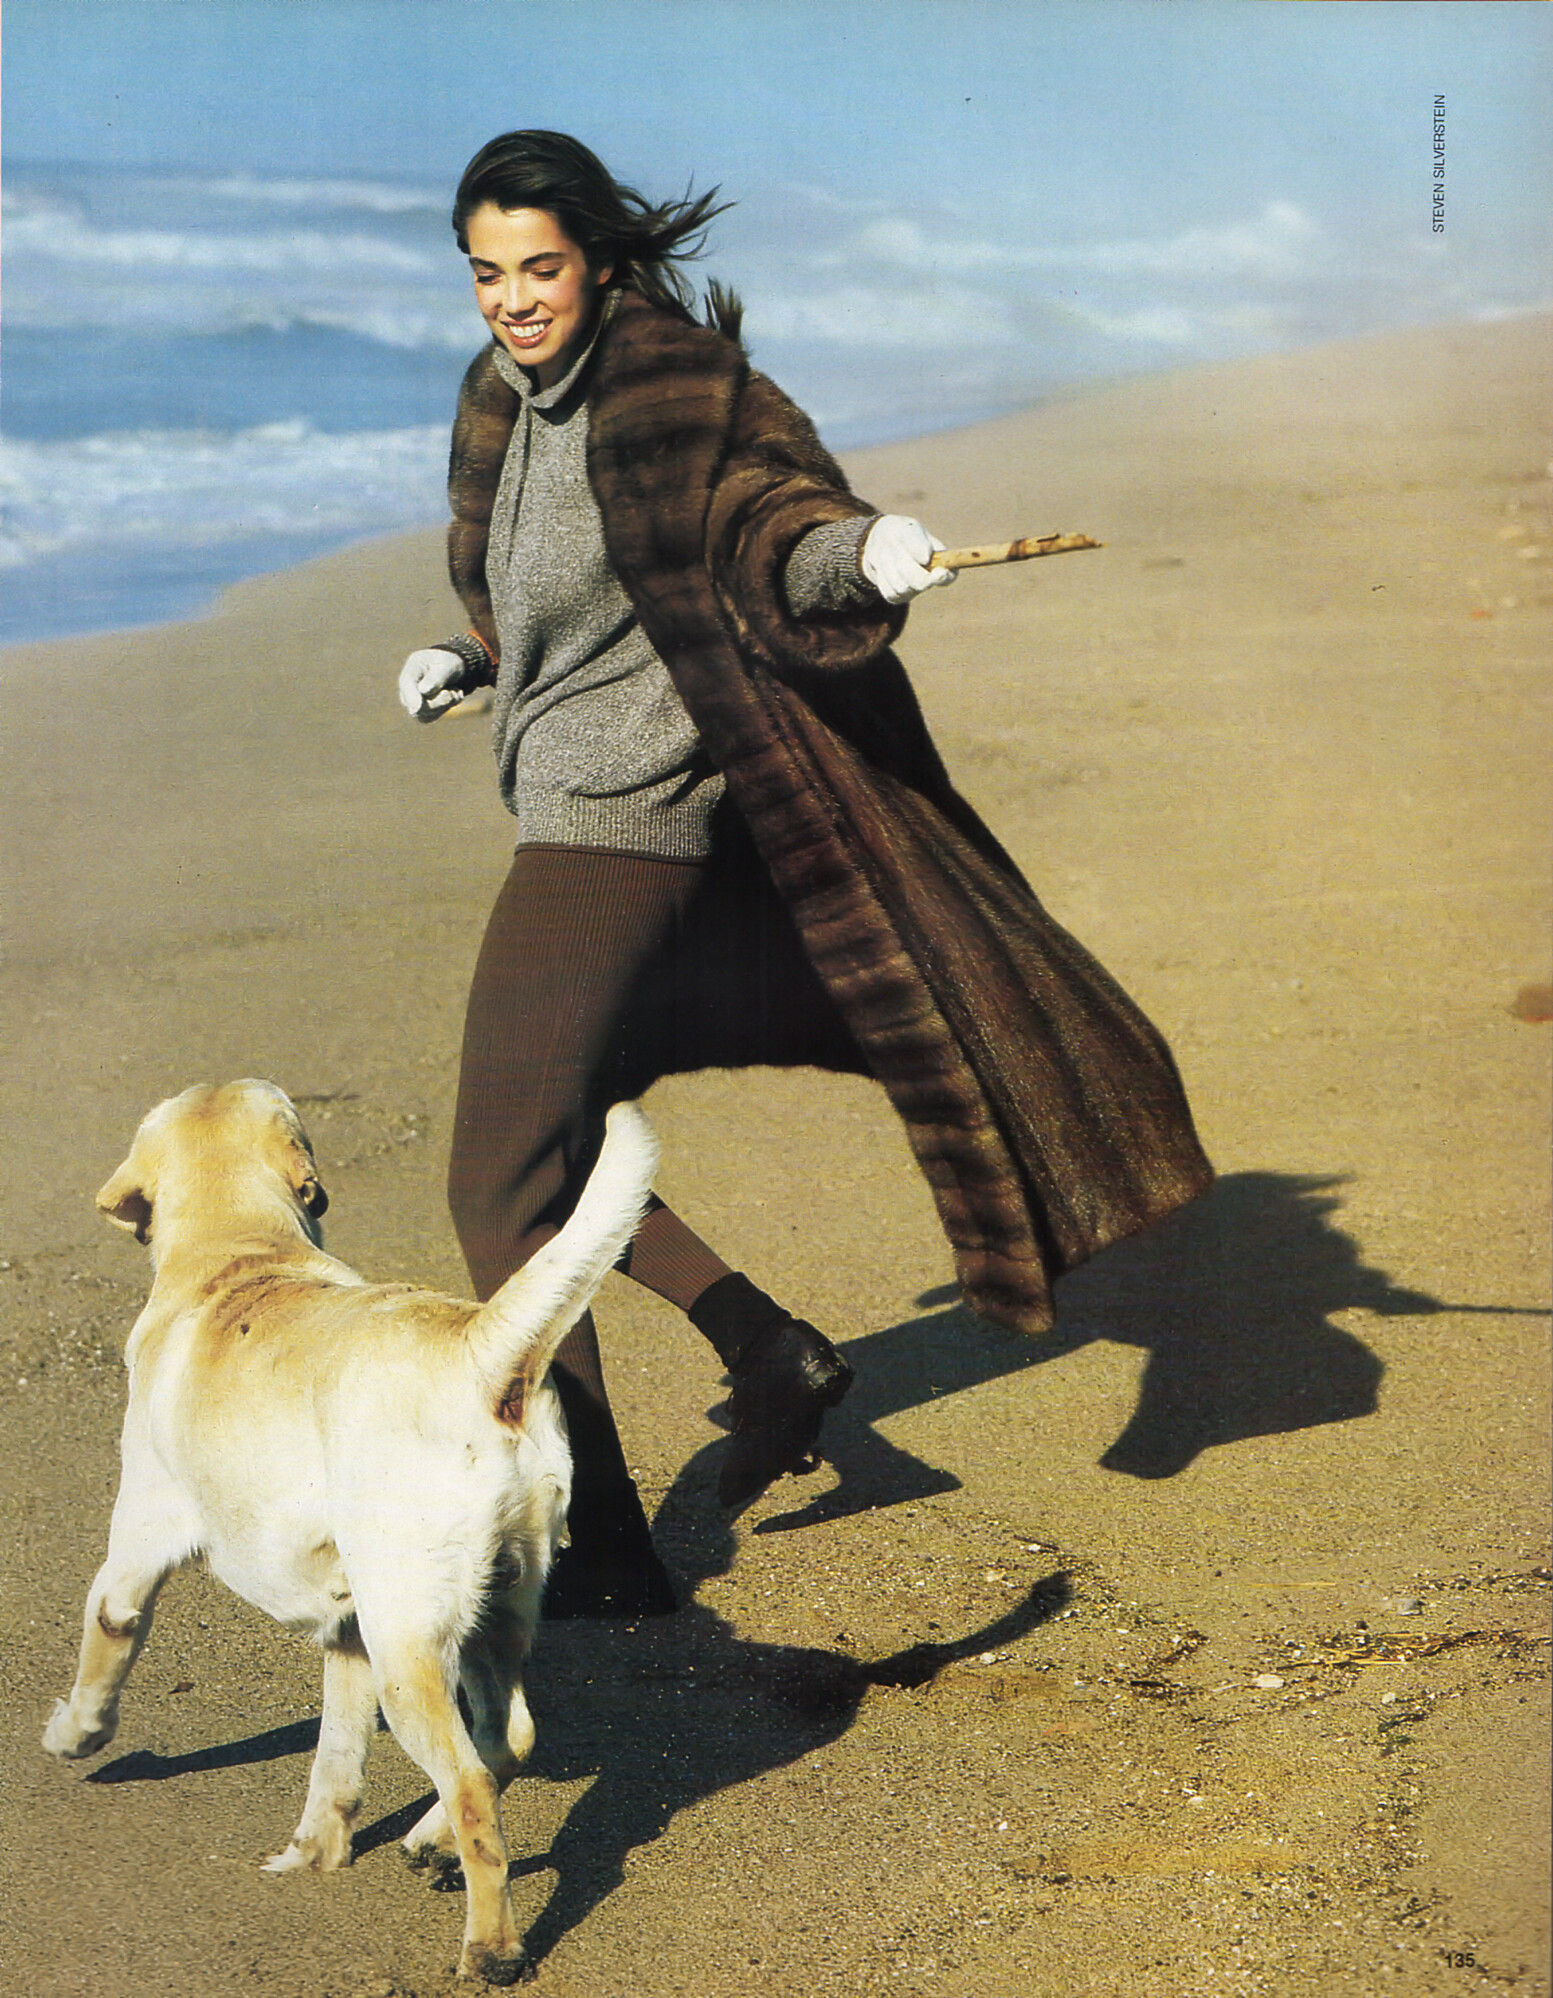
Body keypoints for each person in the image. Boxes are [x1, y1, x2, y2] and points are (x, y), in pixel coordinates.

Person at [399, 131, 1212, 1618]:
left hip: (624, 815)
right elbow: (561, 593)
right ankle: (764, 1348)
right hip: (570, 792)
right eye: (485, 273)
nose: (512, 300)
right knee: (555, 1144)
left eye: (540, 268)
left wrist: (864, 552)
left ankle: (598, 1547)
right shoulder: (500, 399)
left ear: (602, 264)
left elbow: (765, 524)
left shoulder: (672, 393)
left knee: (493, 1186)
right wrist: (474, 658)